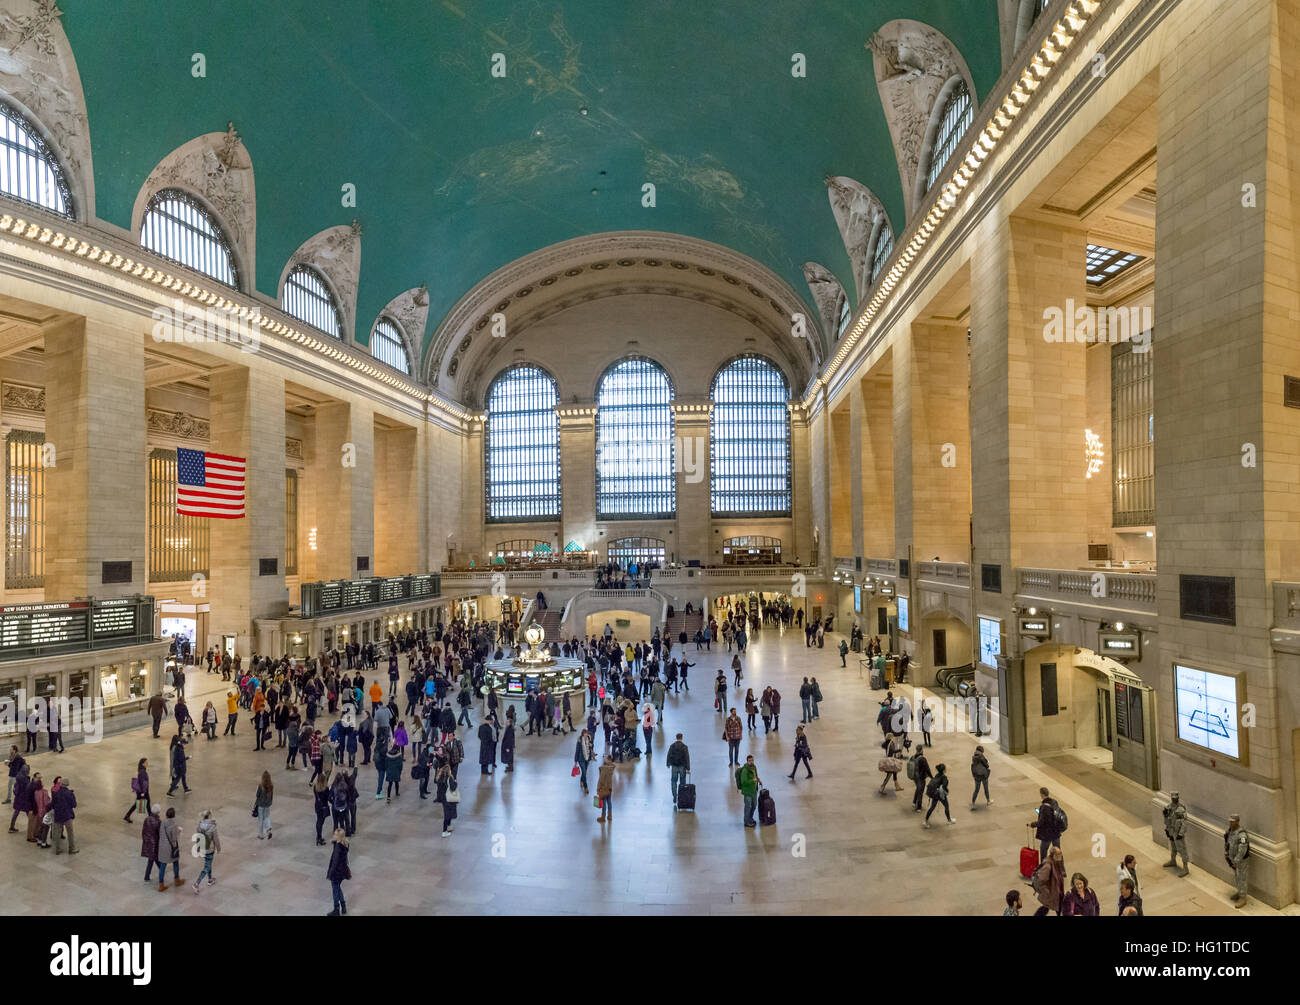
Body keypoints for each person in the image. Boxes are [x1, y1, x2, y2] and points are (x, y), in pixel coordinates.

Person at [1031, 787, 1063, 860]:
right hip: (1056, 831)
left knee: (1043, 850)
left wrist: (1032, 824)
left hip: (1047, 833)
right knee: (1058, 851)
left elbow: (1041, 822)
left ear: (1042, 794)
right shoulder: (1054, 802)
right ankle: (1060, 865)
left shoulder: (1044, 807)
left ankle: (1044, 866)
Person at [1032, 846, 1066, 916]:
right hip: (1052, 893)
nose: (1061, 855)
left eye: (1060, 853)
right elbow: (1041, 880)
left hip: (1057, 892)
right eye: (1059, 854)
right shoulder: (1048, 866)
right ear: (1053, 855)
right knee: (1047, 908)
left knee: (1056, 908)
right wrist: (1047, 892)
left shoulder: (1056, 862)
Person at [192, 809, 220, 893]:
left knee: (208, 864)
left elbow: (198, 837)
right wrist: (218, 848)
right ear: (210, 816)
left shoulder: (199, 825)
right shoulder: (212, 826)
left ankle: (210, 879)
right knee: (206, 867)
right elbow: (216, 839)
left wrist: (197, 848)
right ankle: (196, 884)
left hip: (203, 848)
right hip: (209, 849)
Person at [1163, 791, 1190, 877]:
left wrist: (1181, 834)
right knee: (1173, 847)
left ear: (1178, 798)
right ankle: (1173, 860)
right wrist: (1167, 829)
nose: (1174, 799)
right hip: (1171, 831)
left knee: (1182, 849)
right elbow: (1167, 819)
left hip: (1178, 832)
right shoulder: (1168, 807)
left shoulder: (1181, 809)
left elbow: (1184, 822)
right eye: (1173, 798)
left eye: (1176, 798)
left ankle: (1185, 868)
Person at [1225, 814, 1250, 907]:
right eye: (1230, 821)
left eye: (1233, 821)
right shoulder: (1230, 831)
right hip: (1233, 859)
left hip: (1241, 861)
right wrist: (1227, 854)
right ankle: (1239, 892)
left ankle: (1243, 897)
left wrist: (1236, 860)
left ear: (1237, 822)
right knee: (1237, 877)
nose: (1230, 823)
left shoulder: (1242, 835)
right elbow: (1227, 843)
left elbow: (1242, 850)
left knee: (1242, 878)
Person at [327, 828, 351, 915]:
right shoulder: (344, 844)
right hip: (342, 871)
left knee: (335, 890)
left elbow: (335, 862)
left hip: (337, 872)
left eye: (335, 835)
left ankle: (336, 910)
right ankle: (343, 907)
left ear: (338, 837)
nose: (333, 835)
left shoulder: (338, 847)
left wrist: (330, 873)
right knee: (337, 887)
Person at [51, 775, 77, 854]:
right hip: (67, 815)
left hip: (58, 814)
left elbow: (53, 803)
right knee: (70, 832)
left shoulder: (56, 793)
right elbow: (74, 805)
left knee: (57, 832)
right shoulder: (69, 793)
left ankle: (57, 849)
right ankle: (72, 848)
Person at [159, 807, 183, 890]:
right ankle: (177, 880)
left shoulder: (162, 823)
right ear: (173, 815)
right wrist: (179, 831)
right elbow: (174, 839)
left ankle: (161, 884)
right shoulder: (174, 825)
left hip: (162, 846)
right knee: (175, 862)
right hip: (171, 848)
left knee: (163, 865)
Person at [922, 762, 952, 827]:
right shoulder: (944, 777)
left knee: (932, 807)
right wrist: (947, 791)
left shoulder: (936, 775)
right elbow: (944, 786)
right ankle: (949, 820)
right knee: (946, 806)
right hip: (940, 794)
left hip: (935, 794)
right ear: (944, 770)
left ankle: (926, 821)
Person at [736, 754, 762, 828]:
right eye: (749, 761)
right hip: (747, 792)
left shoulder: (754, 767)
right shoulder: (745, 770)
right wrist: (752, 780)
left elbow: (756, 776)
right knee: (748, 807)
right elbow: (743, 782)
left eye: (752, 760)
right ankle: (746, 822)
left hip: (754, 790)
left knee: (754, 805)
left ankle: (750, 818)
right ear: (747, 761)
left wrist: (758, 780)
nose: (751, 762)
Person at [140, 804, 163, 883]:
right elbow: (160, 833)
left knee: (152, 859)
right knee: (153, 859)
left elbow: (143, 831)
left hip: (148, 842)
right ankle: (159, 871)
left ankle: (147, 875)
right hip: (155, 843)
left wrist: (145, 840)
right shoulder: (158, 821)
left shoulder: (147, 819)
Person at [435, 761, 458, 837]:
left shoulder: (439, 778)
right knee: (448, 814)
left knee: (447, 813)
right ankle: (444, 831)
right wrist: (455, 782)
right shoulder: (449, 778)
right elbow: (453, 788)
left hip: (443, 798)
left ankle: (448, 827)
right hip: (449, 798)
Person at [666, 733, 690, 805]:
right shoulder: (685, 747)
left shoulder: (672, 746)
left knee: (673, 781)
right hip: (682, 767)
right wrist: (688, 768)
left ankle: (675, 796)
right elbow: (687, 758)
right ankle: (681, 796)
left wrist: (668, 763)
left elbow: (669, 755)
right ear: (682, 738)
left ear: (676, 738)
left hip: (674, 766)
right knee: (682, 782)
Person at [124, 757, 149, 823]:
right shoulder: (142, 772)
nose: (147, 763)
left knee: (145, 804)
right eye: (146, 762)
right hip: (143, 791)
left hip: (142, 791)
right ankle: (151, 819)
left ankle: (127, 815)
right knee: (146, 805)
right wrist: (144, 792)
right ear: (143, 763)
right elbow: (143, 783)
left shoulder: (142, 770)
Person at [910, 745, 932, 812]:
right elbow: (927, 769)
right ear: (922, 750)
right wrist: (932, 777)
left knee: (918, 788)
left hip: (915, 777)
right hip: (921, 777)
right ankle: (919, 807)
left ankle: (914, 802)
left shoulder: (913, 757)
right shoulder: (922, 759)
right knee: (920, 791)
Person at [596, 754, 615, 823]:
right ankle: (610, 815)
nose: (603, 758)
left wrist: (598, 788)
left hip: (603, 788)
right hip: (609, 787)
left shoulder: (603, 768)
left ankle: (603, 816)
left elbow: (601, 780)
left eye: (604, 757)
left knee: (604, 803)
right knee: (609, 801)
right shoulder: (611, 768)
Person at [254, 771, 273, 840]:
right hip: (267, 804)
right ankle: (268, 829)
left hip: (261, 805)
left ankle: (261, 835)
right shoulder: (271, 785)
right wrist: (270, 802)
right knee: (267, 817)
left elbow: (257, 795)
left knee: (261, 820)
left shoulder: (260, 786)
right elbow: (271, 796)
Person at [575, 729, 594, 795]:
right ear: (582, 734)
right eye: (584, 734)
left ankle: (581, 780)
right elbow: (577, 750)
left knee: (584, 772)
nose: (586, 735)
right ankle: (586, 787)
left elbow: (591, 747)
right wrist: (575, 761)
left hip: (587, 758)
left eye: (586, 733)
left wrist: (591, 745)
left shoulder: (589, 738)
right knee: (584, 772)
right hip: (581, 759)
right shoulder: (579, 740)